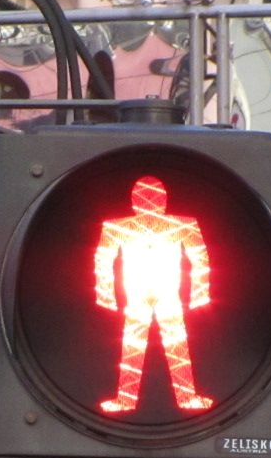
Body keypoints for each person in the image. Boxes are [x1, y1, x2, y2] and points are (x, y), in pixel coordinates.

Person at [92, 175, 216, 414]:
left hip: (168, 293)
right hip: (137, 294)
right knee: (133, 345)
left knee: (176, 345)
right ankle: (127, 400)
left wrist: (199, 294)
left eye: (154, 197)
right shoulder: (117, 226)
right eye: (144, 197)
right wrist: (105, 294)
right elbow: (103, 259)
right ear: (134, 201)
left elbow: (200, 257)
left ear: (164, 200)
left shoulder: (183, 224)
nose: (149, 202)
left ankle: (185, 397)